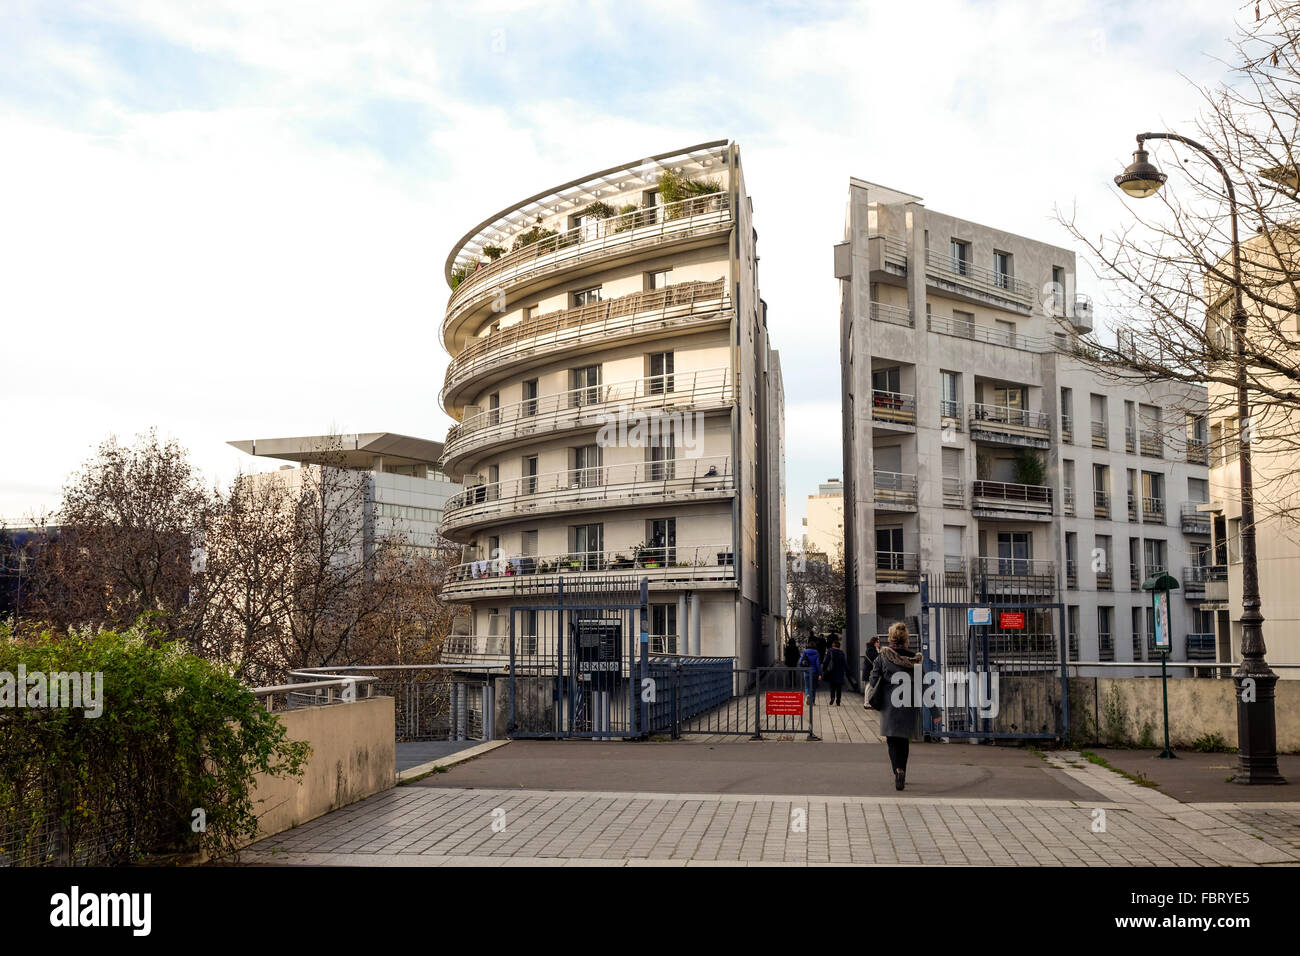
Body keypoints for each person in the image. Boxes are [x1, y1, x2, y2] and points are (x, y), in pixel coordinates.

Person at [867, 621, 940, 791]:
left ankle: (897, 770)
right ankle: (903, 771)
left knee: (892, 741)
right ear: (906, 639)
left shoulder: (882, 657)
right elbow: (924, 686)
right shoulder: (915, 660)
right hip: (909, 704)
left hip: (890, 705)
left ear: (891, 638)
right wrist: (934, 711)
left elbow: (872, 679)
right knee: (904, 741)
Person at [821, 639, 848, 705]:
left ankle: (832, 697)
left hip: (831, 671)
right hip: (839, 672)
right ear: (839, 646)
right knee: (839, 687)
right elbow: (844, 663)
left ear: (833, 645)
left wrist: (824, 669)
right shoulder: (841, 653)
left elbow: (826, 661)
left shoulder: (830, 651)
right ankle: (838, 700)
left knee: (832, 686)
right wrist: (847, 670)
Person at [861, 636, 881, 709]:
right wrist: (879, 652)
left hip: (870, 670)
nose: (879, 643)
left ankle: (868, 702)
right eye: (877, 642)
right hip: (869, 671)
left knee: (870, 687)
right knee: (869, 686)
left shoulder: (872, 649)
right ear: (874, 642)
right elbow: (876, 659)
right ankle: (866, 703)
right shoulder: (870, 650)